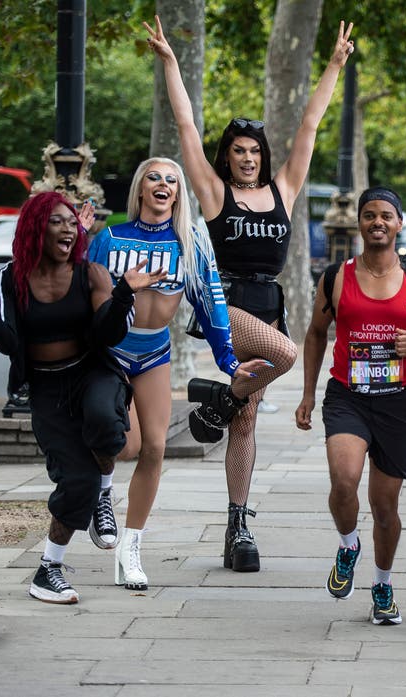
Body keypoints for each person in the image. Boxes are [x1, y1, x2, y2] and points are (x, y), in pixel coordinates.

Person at [146, 16, 353, 572]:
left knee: (245, 424)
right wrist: (170, 62)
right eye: (238, 150)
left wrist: (333, 65)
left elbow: (309, 125)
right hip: (222, 305)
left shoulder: (283, 190)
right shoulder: (214, 195)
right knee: (284, 355)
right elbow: (187, 127)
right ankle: (223, 395)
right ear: (228, 155)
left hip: (267, 307)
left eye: (254, 151)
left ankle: (238, 527)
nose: (247, 158)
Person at [0, 191, 165, 604]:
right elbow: (10, 343)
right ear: (35, 228)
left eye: (72, 222)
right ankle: (48, 570)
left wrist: (123, 295)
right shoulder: (8, 279)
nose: (68, 228)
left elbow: (108, 334)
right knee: (75, 482)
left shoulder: (92, 274)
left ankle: (105, 490)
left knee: (106, 423)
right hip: (46, 387)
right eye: (57, 221)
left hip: (93, 372)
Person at [86, 158, 263, 590]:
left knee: (155, 447)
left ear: (178, 193)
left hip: (154, 354)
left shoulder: (189, 242)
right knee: (122, 446)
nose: (163, 184)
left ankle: (131, 550)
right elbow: (83, 296)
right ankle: (102, 492)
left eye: (172, 179)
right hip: (110, 353)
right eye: (154, 177)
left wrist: (228, 360)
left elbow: (212, 304)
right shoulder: (110, 238)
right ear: (140, 190)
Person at [295, 187, 406, 625]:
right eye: (368, 216)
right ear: (360, 223)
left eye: (385, 216)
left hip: (399, 402)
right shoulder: (336, 276)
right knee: (344, 482)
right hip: (348, 395)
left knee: (384, 507)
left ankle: (382, 584)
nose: (377, 222)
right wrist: (308, 394)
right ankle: (347, 546)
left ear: (399, 224)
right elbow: (315, 334)